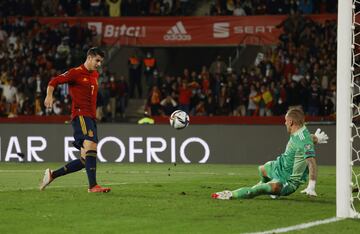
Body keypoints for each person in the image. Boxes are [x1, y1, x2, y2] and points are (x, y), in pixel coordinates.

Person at [212, 107, 329, 200]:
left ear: (291, 121)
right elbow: (306, 140)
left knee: (260, 189)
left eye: (285, 121)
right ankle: (265, 187)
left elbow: (311, 162)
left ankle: (230, 194)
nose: (285, 124)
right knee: (262, 169)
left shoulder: (303, 139)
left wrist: (311, 185)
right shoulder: (302, 132)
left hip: (287, 181)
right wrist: (316, 139)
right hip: (279, 166)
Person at [40, 47, 111, 193]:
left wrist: (98, 109)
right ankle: (93, 186)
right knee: (91, 144)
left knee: (85, 159)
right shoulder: (75, 73)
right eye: (97, 60)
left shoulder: (95, 75)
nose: (99, 64)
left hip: (90, 117)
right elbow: (54, 81)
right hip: (80, 115)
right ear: (89, 57)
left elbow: (94, 96)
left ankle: (52, 175)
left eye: (101, 62)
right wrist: (49, 95)